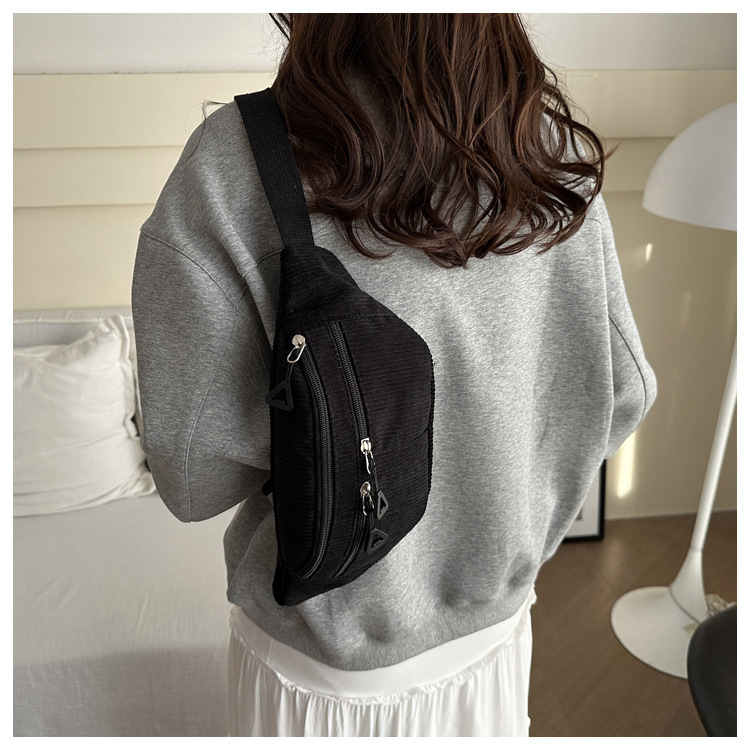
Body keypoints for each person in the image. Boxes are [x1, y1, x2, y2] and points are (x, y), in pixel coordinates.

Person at [131, 13, 657, 737]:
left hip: (314, 671)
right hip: (494, 639)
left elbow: (192, 481)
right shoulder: (544, 145)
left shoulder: (238, 159)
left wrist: (320, 422)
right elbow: (623, 391)